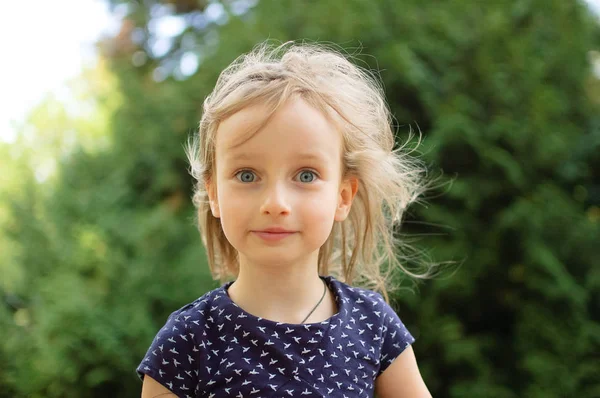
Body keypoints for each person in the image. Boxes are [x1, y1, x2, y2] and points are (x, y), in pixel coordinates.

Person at [137, 41, 432, 397]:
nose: (275, 203)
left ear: (342, 196)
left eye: (305, 175)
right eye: (247, 175)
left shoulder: (374, 326)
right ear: (214, 193)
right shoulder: (186, 343)